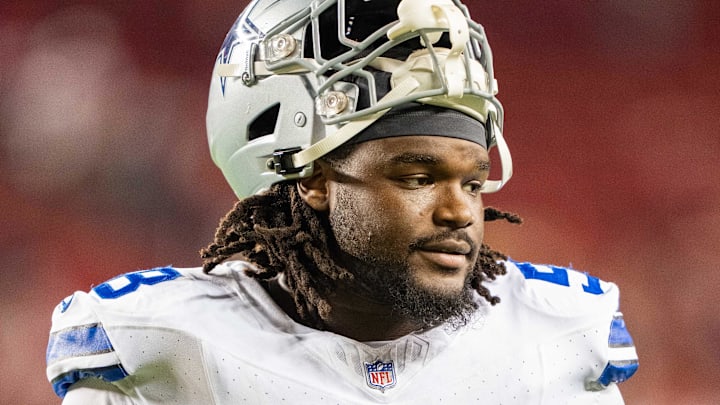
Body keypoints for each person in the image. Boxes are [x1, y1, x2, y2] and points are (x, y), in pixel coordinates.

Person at [46, 0, 639, 403]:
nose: (459, 212)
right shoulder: (165, 346)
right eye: (415, 177)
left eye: (474, 182)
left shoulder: (553, 336)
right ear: (314, 179)